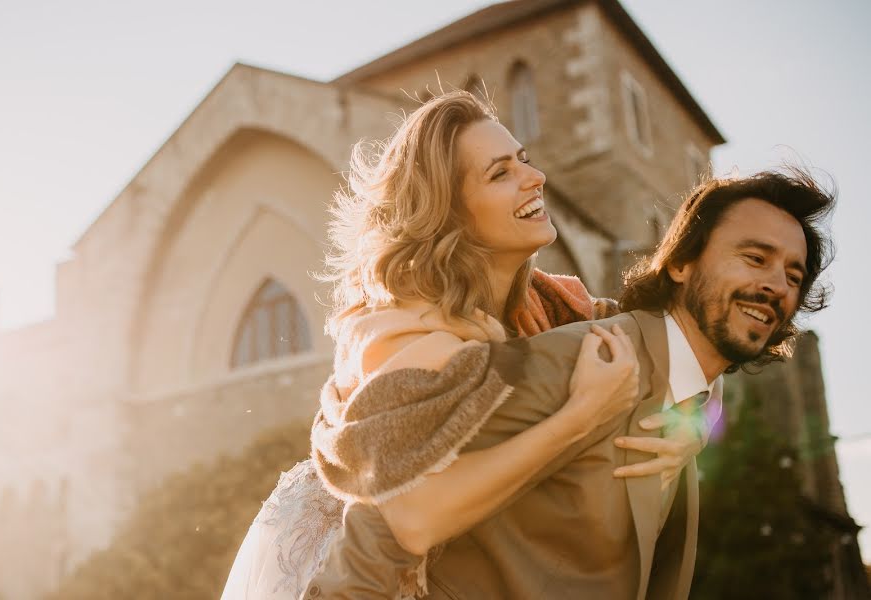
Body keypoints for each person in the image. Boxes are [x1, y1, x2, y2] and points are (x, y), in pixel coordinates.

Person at [220, 91, 711, 599]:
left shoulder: (552, 303)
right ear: (448, 212)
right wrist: (580, 417)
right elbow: (411, 518)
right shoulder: (401, 333)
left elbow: (669, 345)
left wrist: (688, 426)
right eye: (499, 174)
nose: (535, 177)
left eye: (524, 160)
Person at [303, 167, 835, 599]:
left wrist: (704, 416)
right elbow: (386, 504)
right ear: (681, 263)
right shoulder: (583, 362)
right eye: (754, 257)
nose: (774, 285)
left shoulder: (688, 404)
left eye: (793, 275)